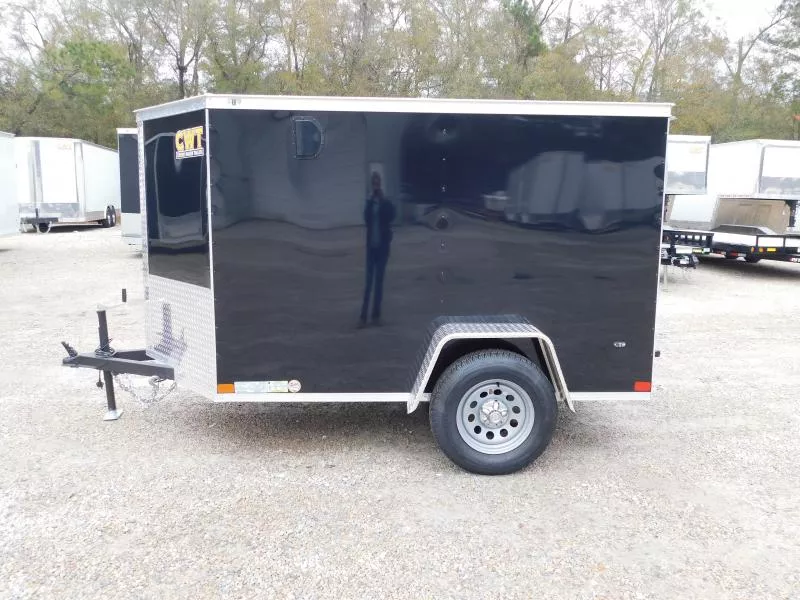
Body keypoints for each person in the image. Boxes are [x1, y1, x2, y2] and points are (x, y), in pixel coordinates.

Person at [359, 172, 395, 327]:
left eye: (377, 184)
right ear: (371, 185)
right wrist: (369, 202)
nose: (376, 186)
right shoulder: (370, 202)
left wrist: (384, 201)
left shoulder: (384, 202)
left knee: (378, 284)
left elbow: (392, 215)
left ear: (380, 184)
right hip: (371, 249)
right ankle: (363, 317)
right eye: (373, 184)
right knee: (368, 285)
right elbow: (366, 218)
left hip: (382, 249)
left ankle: (376, 316)